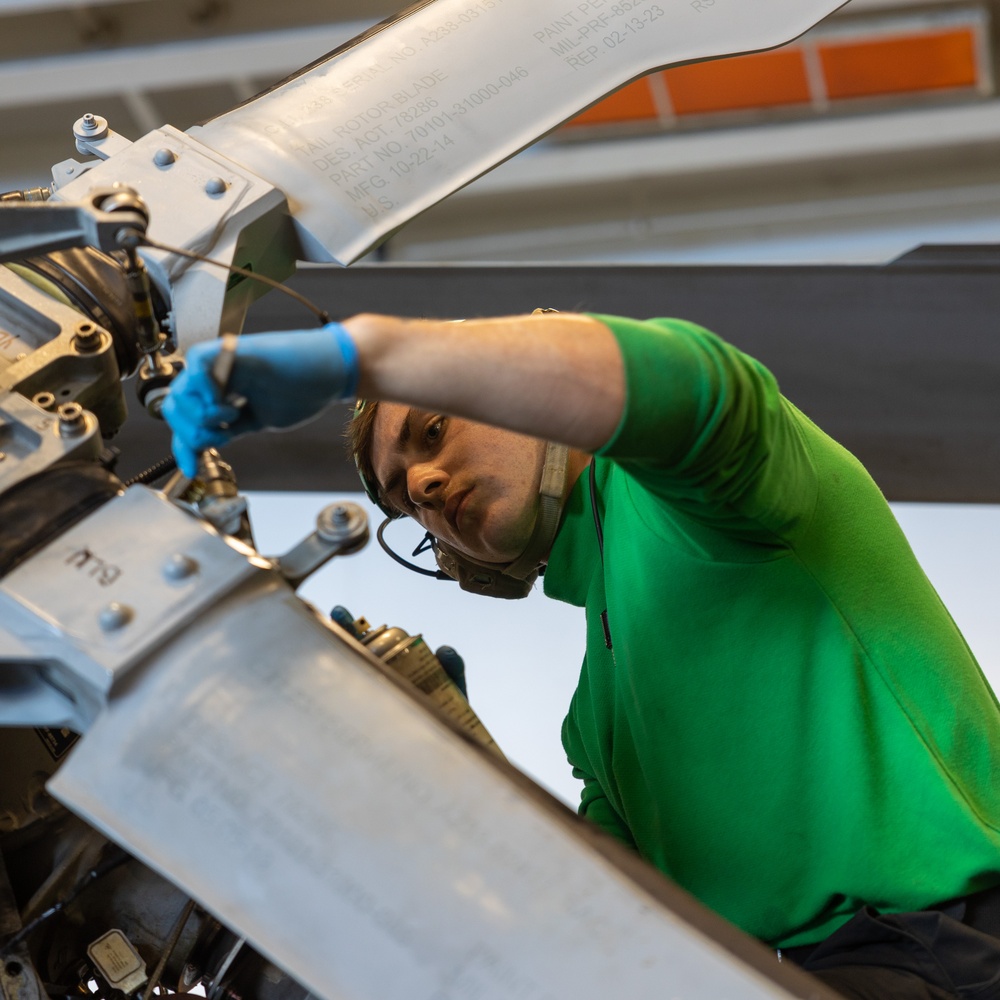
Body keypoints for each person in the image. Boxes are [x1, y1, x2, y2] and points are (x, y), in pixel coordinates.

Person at [163, 311, 1000, 999]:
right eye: (398, 494)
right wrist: (442, 762)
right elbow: (596, 924)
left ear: (524, 389)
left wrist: (365, 355)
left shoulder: (707, 501)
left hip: (947, 943)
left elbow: (705, 388)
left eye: (433, 427)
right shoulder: (594, 724)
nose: (420, 485)